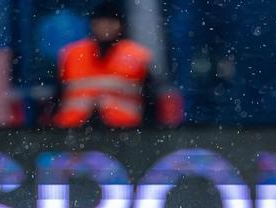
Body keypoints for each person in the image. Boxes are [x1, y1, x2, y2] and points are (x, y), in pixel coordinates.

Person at [49, 1, 182, 128]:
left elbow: (151, 99)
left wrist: (149, 130)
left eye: (111, 22)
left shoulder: (137, 56)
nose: (105, 27)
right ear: (92, 25)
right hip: (73, 131)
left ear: (121, 25)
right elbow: (57, 96)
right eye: (100, 22)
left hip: (124, 130)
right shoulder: (72, 55)